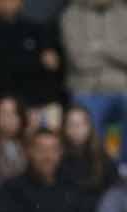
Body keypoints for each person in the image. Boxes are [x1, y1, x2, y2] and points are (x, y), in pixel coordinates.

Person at [0, 0, 66, 120]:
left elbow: (54, 68)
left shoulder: (38, 31)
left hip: (40, 106)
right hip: (1, 108)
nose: (5, 3)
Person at [61, 0, 127, 164]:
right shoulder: (71, 15)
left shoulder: (124, 13)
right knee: (83, 125)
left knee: (118, 131)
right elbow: (78, 60)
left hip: (121, 87)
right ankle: (91, 169)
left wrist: (100, 47)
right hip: (86, 88)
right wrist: (115, 53)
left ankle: (120, 168)